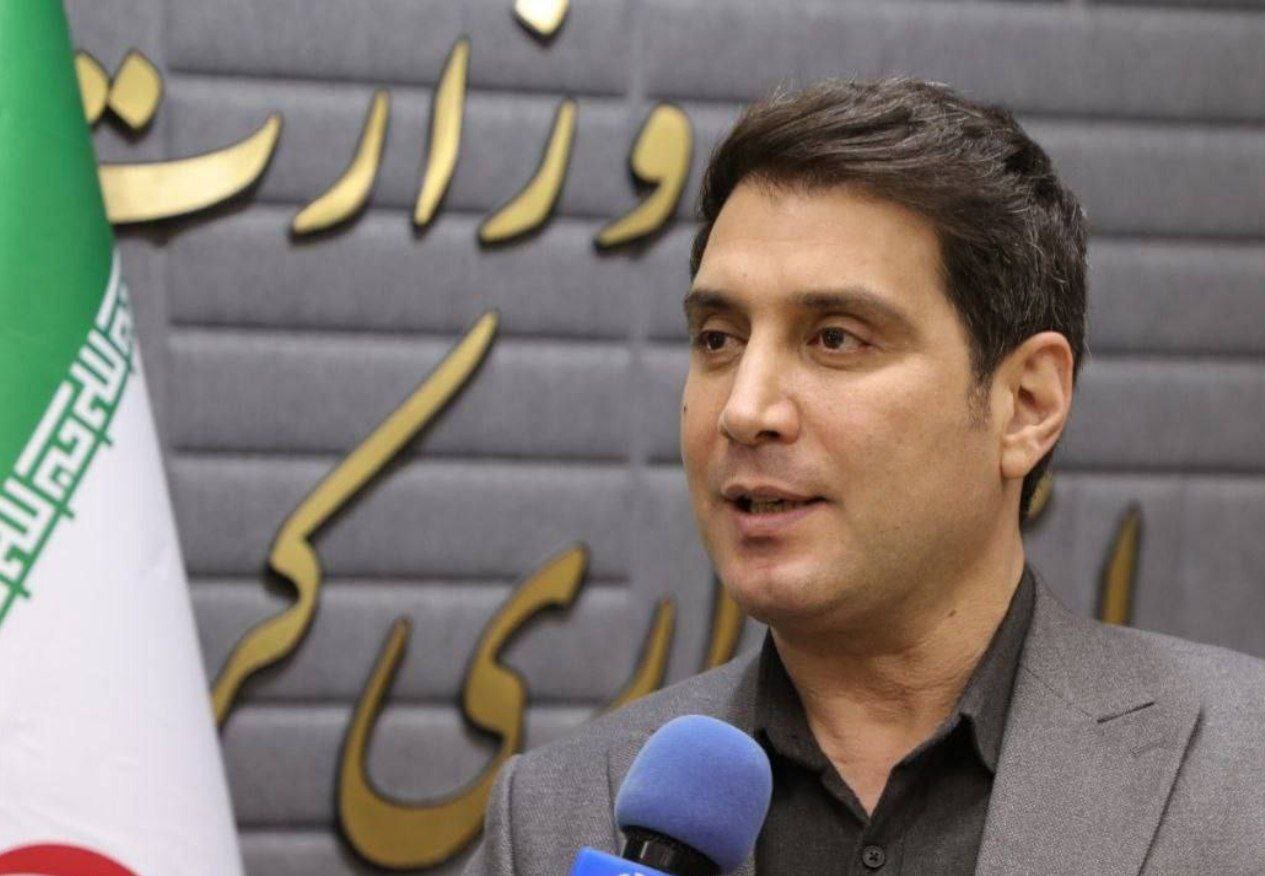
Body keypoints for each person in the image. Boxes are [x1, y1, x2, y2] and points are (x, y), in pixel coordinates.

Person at [464, 78, 1265, 875]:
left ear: (1025, 404)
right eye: (718, 339)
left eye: (835, 339)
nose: (744, 410)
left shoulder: (1242, 769)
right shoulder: (554, 813)